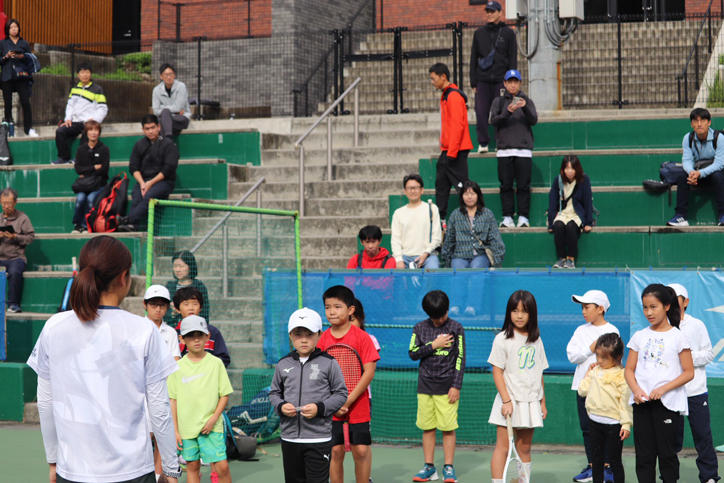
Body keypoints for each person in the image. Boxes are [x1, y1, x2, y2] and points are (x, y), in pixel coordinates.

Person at [26, 235, 182, 483]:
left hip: (73, 470)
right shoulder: (144, 330)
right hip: (133, 471)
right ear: (123, 278)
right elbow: (159, 408)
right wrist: (171, 470)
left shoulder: (53, 327)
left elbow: (46, 403)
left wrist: (53, 460)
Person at [624, 284, 694, 483]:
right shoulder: (639, 336)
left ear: (666, 306)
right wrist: (636, 390)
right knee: (644, 456)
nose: (649, 312)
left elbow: (689, 372)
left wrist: (664, 388)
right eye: (645, 307)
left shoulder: (678, 336)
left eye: (653, 307)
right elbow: (628, 370)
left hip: (668, 405)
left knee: (667, 455)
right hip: (642, 404)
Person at [269, 307, 349, 483]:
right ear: (291, 336)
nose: (304, 339)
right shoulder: (283, 364)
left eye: (309, 334)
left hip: (319, 439)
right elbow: (274, 392)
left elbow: (341, 393)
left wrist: (319, 408)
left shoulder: (329, 363)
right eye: (298, 334)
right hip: (289, 438)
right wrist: (281, 406)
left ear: (319, 334)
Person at [317, 285, 379, 483]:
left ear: (351, 310)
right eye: (328, 307)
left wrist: (347, 400)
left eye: (337, 307)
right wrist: (332, 402)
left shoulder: (362, 338)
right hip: (331, 405)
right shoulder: (322, 340)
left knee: (360, 450)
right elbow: (318, 374)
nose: (332, 312)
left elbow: (369, 372)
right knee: (335, 451)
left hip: (358, 402)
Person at [488, 290, 548, 483]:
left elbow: (539, 373)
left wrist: (542, 402)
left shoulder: (536, 340)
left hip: (531, 402)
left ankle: (523, 481)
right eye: (515, 311)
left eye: (524, 311)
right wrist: (506, 401)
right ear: (509, 313)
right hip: (510, 402)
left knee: (525, 448)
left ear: (532, 314)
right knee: (503, 447)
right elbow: (497, 371)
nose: (519, 315)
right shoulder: (502, 339)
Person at [168, 314, 233, 483]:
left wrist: (213, 419)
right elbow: (173, 400)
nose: (196, 340)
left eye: (200, 335)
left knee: (222, 466)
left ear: (207, 337)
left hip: (212, 426)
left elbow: (224, 395)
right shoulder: (176, 367)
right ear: (182, 339)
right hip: (187, 429)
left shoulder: (216, 363)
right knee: (192, 466)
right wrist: (176, 430)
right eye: (190, 336)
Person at [408, 290, 465, 483]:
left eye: (442, 316)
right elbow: (413, 353)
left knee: (448, 428)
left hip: (447, 388)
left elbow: (460, 358)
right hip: (425, 387)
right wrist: (434, 345)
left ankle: (448, 467)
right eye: (435, 317)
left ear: (448, 310)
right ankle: (429, 467)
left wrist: (456, 385)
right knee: (428, 428)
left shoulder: (456, 328)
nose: (439, 320)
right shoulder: (419, 328)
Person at [667, 283, 719, 483]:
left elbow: (708, 354)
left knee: (703, 436)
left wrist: (685, 358)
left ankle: (709, 476)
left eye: (675, 298)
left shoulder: (697, 325)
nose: (671, 301)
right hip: (670, 392)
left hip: (695, 392)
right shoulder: (662, 326)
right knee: (670, 440)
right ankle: (669, 476)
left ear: (686, 301)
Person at [567, 289, 620, 483]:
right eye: (582, 307)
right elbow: (572, 356)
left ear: (600, 309)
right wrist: (592, 347)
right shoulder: (580, 331)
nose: (583, 311)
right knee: (587, 428)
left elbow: (613, 359)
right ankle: (592, 467)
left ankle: (607, 467)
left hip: (606, 390)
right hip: (583, 387)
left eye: (587, 307)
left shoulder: (613, 330)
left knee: (607, 428)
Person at [577, 333, 632, 483]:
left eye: (604, 357)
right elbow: (582, 390)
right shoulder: (595, 371)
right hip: (594, 422)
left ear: (618, 357)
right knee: (596, 459)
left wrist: (626, 424)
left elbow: (625, 403)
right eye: (597, 356)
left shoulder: (622, 375)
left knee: (615, 460)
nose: (599, 360)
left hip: (614, 425)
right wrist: (588, 373)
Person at [490, 69, 538, 228]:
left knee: (523, 186)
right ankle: (507, 217)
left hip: (523, 151)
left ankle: (523, 217)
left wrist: (524, 107)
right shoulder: (498, 101)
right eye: (509, 82)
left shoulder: (527, 101)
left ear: (520, 83)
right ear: (504, 83)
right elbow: (494, 121)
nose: (512, 85)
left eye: (515, 82)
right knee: (506, 186)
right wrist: (507, 112)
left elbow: (533, 120)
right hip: (504, 151)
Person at [143, 284, 181, 480]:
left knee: (161, 436)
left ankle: (159, 476)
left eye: (162, 305)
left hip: (164, 392)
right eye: (153, 304)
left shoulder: (171, 333)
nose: (158, 309)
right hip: (141, 393)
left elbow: (175, 361)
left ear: (167, 307)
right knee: (143, 437)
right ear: (145, 305)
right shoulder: (138, 329)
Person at [469, 1, 516, 154]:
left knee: (501, 111)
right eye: (487, 11)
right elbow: (473, 57)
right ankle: (483, 143)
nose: (489, 14)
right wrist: (473, 82)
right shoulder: (479, 33)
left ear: (500, 13)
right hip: (482, 79)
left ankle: (500, 141)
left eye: (492, 11)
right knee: (481, 111)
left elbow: (512, 58)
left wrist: (511, 81)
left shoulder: (508, 33)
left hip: (501, 80)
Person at [118, 114, 179, 231]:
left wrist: (150, 183)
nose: (150, 131)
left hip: (164, 181)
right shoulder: (139, 144)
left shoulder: (168, 144)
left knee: (149, 196)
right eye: (147, 129)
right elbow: (133, 167)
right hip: (144, 180)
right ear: (143, 130)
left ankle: (128, 219)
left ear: (159, 127)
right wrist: (142, 183)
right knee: (136, 196)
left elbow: (168, 169)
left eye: (153, 128)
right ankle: (132, 226)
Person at [429, 62, 473, 223]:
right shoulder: (447, 95)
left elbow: (457, 125)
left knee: (462, 186)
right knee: (441, 182)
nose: (432, 82)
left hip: (456, 149)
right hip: (449, 149)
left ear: (443, 77)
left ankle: (472, 217)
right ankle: (440, 218)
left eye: (433, 79)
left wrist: (452, 152)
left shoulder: (453, 96)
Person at [667, 107, 724, 227]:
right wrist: (692, 173)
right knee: (682, 175)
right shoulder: (688, 138)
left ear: (709, 122)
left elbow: (719, 164)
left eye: (702, 120)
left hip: (715, 175)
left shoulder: (719, 138)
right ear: (692, 124)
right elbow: (687, 160)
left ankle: (723, 215)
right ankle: (680, 216)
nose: (699, 124)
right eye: (695, 121)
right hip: (697, 176)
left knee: (718, 175)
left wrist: (700, 173)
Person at [440, 180, 505, 268]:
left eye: (473, 194)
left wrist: (497, 260)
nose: (469, 197)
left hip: (480, 255)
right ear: (462, 196)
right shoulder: (455, 214)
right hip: (459, 255)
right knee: (458, 271)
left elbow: (495, 238)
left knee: (476, 269)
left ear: (478, 195)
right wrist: (447, 260)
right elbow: (449, 239)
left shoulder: (487, 214)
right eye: (466, 194)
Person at [53, 63, 108, 165]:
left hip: (88, 122)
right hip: (75, 122)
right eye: (82, 72)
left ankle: (79, 158)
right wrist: (68, 119)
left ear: (90, 74)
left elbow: (103, 108)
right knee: (60, 131)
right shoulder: (74, 89)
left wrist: (94, 120)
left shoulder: (97, 89)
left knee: (86, 133)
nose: (85, 75)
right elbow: (70, 105)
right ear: (78, 75)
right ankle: (63, 158)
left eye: (87, 72)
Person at [548, 155, 593, 269]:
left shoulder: (584, 180)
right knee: (558, 225)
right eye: (567, 168)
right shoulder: (558, 180)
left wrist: (588, 222)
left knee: (571, 226)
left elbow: (588, 201)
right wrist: (551, 223)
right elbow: (552, 201)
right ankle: (561, 258)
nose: (570, 171)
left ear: (577, 169)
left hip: (577, 214)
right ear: (563, 169)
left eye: (572, 168)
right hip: (563, 213)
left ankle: (571, 259)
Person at [391, 174, 442, 269]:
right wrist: (399, 260)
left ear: (422, 190)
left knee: (433, 270)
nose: (413, 191)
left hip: (428, 256)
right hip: (405, 257)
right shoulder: (398, 213)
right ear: (405, 191)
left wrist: (426, 253)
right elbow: (395, 240)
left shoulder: (432, 208)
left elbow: (437, 237)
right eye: (409, 188)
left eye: (416, 188)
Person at [172, 286, 229, 368]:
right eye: (186, 304)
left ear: (200, 307)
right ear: (177, 309)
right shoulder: (173, 334)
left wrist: (205, 368)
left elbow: (223, 359)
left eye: (195, 304)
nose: (191, 308)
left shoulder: (212, 332)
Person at [70, 119, 110, 233]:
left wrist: (86, 172)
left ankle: (86, 225)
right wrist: (93, 168)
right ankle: (77, 225)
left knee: (90, 199)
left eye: (96, 130)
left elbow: (104, 170)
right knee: (80, 199)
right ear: (86, 132)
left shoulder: (104, 149)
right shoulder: (81, 149)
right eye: (91, 130)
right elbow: (78, 169)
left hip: (99, 184)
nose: (93, 133)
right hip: (85, 185)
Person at [0, 18, 37, 137]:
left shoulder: (24, 43)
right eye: (11, 27)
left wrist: (22, 56)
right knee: (8, 104)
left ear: (19, 28)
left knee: (26, 102)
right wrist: (6, 56)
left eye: (16, 27)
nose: (14, 29)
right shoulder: (2, 43)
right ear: (7, 29)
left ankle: (28, 129)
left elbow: (30, 58)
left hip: (22, 76)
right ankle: (8, 128)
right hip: (7, 76)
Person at [0, 187, 34, 313]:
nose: (6, 206)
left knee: (15, 272)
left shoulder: (22, 218)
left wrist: (15, 237)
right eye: (3, 203)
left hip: (15, 258)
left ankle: (13, 304)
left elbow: (30, 238)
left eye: (9, 203)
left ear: (15, 202)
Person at [164, 250, 211, 325]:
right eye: (175, 266)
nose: (177, 270)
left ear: (190, 266)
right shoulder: (169, 287)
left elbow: (204, 314)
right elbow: (164, 313)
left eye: (181, 266)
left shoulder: (199, 287)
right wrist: (173, 312)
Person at [152, 63, 191, 137]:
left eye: (171, 74)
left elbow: (178, 107)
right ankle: (168, 139)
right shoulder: (156, 90)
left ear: (174, 75)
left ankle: (167, 140)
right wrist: (169, 111)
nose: (169, 77)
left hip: (181, 119)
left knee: (163, 118)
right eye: (166, 75)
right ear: (161, 76)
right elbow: (156, 111)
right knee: (164, 117)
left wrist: (163, 108)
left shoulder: (181, 86)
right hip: (167, 119)